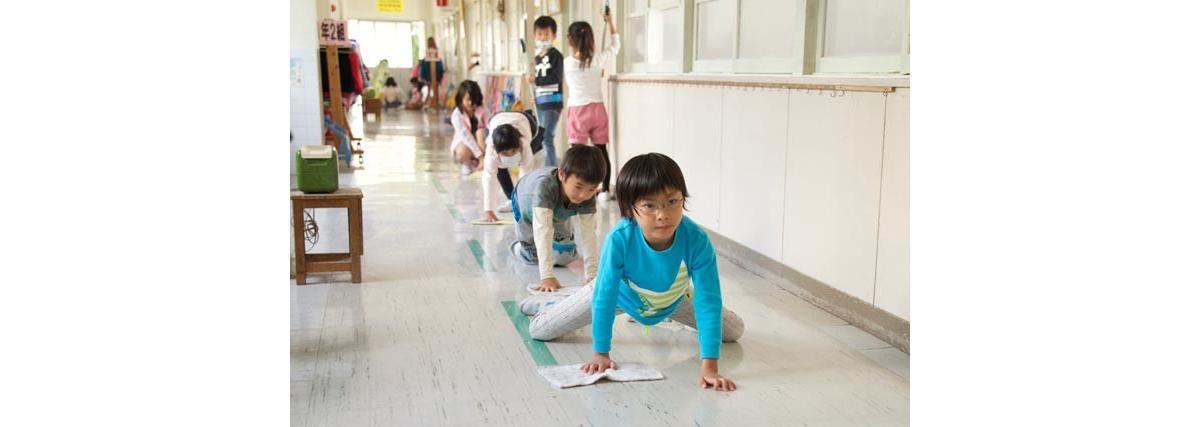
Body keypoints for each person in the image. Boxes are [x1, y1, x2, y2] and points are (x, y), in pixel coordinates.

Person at [520, 153, 746, 391]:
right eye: (649, 205)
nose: (663, 214)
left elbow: (708, 299)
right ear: (630, 208)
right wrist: (601, 353)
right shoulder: (620, 239)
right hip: (621, 295)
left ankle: (570, 298)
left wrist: (710, 368)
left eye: (672, 201)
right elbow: (605, 296)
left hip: (672, 297)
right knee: (540, 330)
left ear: (683, 198)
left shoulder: (697, 240)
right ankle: (554, 302)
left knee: (734, 331)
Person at [508, 145, 607, 293]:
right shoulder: (545, 187)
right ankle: (518, 246)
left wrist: (592, 275)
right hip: (526, 206)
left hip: (557, 211)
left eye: (591, 189)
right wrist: (547, 276)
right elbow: (543, 230)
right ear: (562, 175)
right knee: (533, 256)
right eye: (578, 187)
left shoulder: (586, 194)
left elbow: (589, 234)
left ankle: (554, 246)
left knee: (565, 257)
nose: (583, 195)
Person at [564, 14, 619, 201]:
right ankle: (604, 190)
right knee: (601, 151)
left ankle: (577, 189)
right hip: (597, 109)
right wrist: (610, 21)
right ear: (591, 39)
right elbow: (615, 47)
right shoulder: (598, 60)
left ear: (570, 40)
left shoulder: (567, 63)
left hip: (578, 111)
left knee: (577, 155)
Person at [481, 111, 544, 223]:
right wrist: (488, 209)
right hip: (496, 118)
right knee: (499, 166)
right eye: (505, 153)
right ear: (496, 150)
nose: (510, 155)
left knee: (531, 165)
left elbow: (524, 177)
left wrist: (523, 208)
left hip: (525, 121)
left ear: (519, 146)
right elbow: (489, 178)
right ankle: (511, 198)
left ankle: (516, 200)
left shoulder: (524, 144)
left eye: (514, 151)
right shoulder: (492, 150)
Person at [528, 16, 565, 167]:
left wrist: (535, 80)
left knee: (547, 138)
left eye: (546, 34)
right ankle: (548, 169)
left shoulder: (556, 55)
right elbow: (540, 84)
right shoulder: (537, 57)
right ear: (535, 35)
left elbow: (556, 78)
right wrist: (536, 96)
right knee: (543, 137)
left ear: (554, 35)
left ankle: (551, 171)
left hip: (553, 102)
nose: (543, 37)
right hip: (542, 102)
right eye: (540, 34)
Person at [450, 80, 488, 175]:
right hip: (466, 144)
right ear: (461, 98)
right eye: (468, 99)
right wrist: (480, 156)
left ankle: (486, 163)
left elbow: (490, 127)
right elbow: (466, 136)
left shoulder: (483, 110)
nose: (471, 103)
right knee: (462, 153)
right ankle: (468, 164)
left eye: (473, 99)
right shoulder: (456, 115)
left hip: (482, 143)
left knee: (480, 132)